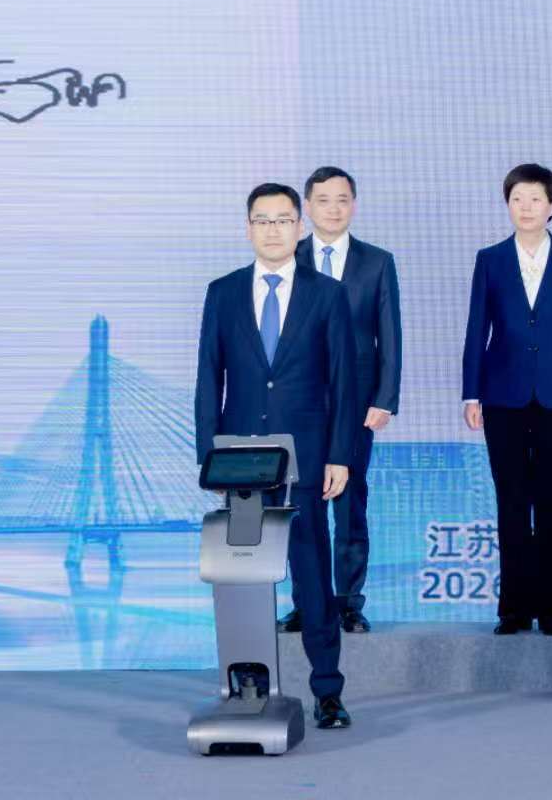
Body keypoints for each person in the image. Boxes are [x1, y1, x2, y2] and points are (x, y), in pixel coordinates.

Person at [194, 182, 366, 730]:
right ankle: (247, 684)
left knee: (312, 575)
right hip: (240, 462)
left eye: (283, 220)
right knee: (242, 574)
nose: (273, 230)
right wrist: (208, 456)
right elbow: (208, 379)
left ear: (300, 227)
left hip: (307, 457)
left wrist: (340, 456)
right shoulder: (222, 293)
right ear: (248, 228)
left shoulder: (327, 294)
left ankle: (328, 690)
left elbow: (344, 384)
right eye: (263, 220)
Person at [462, 163, 552, 635]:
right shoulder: (490, 259)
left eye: (535, 199)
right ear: (507, 205)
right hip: (501, 396)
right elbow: (476, 328)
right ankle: (514, 608)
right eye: (517, 199)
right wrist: (471, 393)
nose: (526, 207)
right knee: (511, 501)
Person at [281, 165, 402, 635]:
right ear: (307, 207)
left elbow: (389, 335)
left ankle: (349, 602)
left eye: (342, 199)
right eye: (323, 200)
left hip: (357, 404)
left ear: (354, 205)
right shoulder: (288, 256)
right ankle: (306, 602)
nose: (333, 209)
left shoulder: (377, 262)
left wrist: (385, 398)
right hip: (300, 401)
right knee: (300, 505)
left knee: (351, 503)